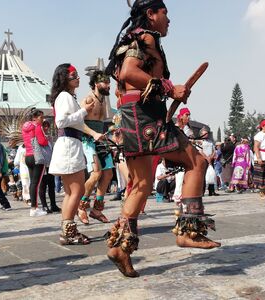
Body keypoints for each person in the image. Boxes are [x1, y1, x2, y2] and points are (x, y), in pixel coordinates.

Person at [104, 0, 220, 277]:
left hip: (133, 115)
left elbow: (125, 76)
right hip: (145, 116)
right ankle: (189, 230)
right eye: (165, 13)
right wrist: (169, 88)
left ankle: (121, 247)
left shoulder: (137, 38)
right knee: (198, 162)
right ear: (151, 14)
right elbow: (129, 72)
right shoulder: (145, 37)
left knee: (141, 185)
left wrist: (171, 91)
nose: (169, 20)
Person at [48, 63, 103, 245]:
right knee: (77, 191)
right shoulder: (64, 96)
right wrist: (84, 111)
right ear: (65, 79)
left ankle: (68, 230)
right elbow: (61, 121)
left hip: (71, 144)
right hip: (69, 145)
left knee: (71, 192)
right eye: (74, 76)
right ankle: (69, 231)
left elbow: (75, 122)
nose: (78, 78)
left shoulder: (66, 96)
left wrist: (84, 115)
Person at [78, 70, 115, 224]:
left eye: (108, 82)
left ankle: (97, 210)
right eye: (105, 82)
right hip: (88, 140)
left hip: (100, 139)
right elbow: (78, 122)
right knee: (96, 174)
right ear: (95, 84)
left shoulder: (103, 101)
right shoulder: (88, 99)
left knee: (108, 175)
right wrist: (93, 133)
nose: (108, 85)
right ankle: (81, 206)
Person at [22, 109, 49, 217]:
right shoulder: (37, 126)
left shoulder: (25, 127)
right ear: (35, 118)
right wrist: (47, 140)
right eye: (41, 117)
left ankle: (33, 207)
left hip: (28, 156)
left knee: (32, 183)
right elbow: (42, 141)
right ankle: (35, 208)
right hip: (37, 157)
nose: (43, 120)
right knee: (36, 184)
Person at [38, 121, 60, 213]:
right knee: (42, 185)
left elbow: (52, 150)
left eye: (47, 126)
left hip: (50, 164)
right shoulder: (38, 138)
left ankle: (53, 204)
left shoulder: (50, 138)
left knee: (51, 185)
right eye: (44, 126)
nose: (46, 128)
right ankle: (44, 205)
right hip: (42, 164)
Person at [199, 127, 218, 196]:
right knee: (203, 176)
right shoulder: (200, 141)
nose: (206, 135)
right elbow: (200, 151)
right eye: (204, 134)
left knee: (211, 175)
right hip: (203, 160)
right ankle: (202, 191)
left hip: (211, 160)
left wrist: (211, 157)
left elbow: (214, 150)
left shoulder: (210, 141)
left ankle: (212, 191)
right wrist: (207, 158)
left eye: (207, 133)